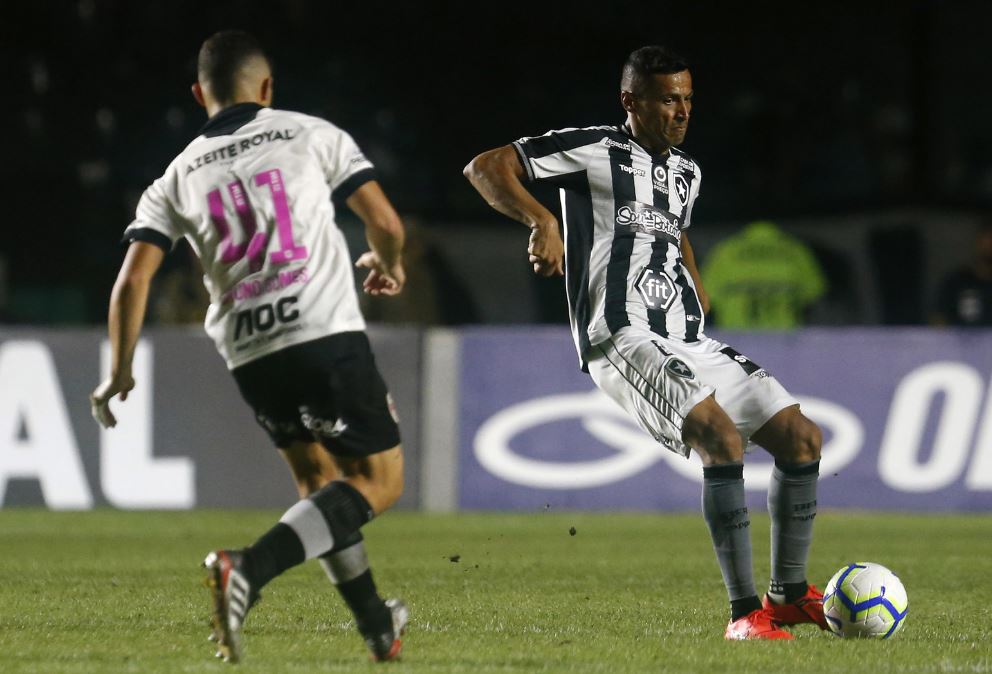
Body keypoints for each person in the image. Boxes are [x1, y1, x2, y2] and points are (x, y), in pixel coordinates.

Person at [464, 45, 826, 640]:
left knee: (802, 437)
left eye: (687, 99)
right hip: (621, 334)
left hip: (687, 336)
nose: (681, 112)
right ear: (630, 101)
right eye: (667, 100)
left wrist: (696, 284)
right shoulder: (592, 150)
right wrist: (542, 221)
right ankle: (744, 615)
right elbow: (486, 167)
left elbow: (674, 231)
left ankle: (786, 594)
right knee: (719, 437)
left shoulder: (687, 172)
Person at [89, 30, 409, 663]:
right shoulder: (310, 132)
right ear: (266, 87)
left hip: (249, 349)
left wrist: (119, 370)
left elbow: (132, 282)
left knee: (318, 483)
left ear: (198, 94)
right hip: (320, 328)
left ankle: (377, 625)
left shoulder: (175, 175)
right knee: (378, 481)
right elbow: (385, 223)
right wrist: (388, 261)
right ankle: (248, 569)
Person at [700, 220, 826, 330]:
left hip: (736, 336)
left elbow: (706, 293)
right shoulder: (796, 249)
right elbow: (814, 292)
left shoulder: (726, 250)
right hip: (786, 338)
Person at [931, 221, 992, 326]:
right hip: (960, 335)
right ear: (978, 242)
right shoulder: (955, 281)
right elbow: (938, 318)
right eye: (989, 239)